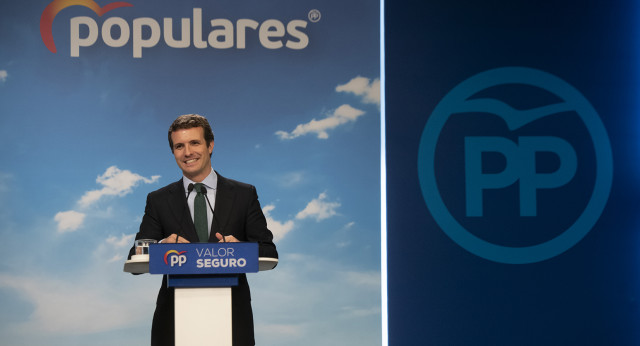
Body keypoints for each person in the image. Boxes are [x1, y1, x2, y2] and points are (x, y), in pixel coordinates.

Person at [129, 114, 278, 346]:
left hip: (231, 317)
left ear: (210, 145)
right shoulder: (158, 200)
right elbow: (136, 257)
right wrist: (160, 247)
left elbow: (269, 252)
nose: (187, 152)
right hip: (174, 321)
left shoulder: (243, 194)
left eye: (194, 143)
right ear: (173, 152)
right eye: (179, 146)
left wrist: (242, 250)